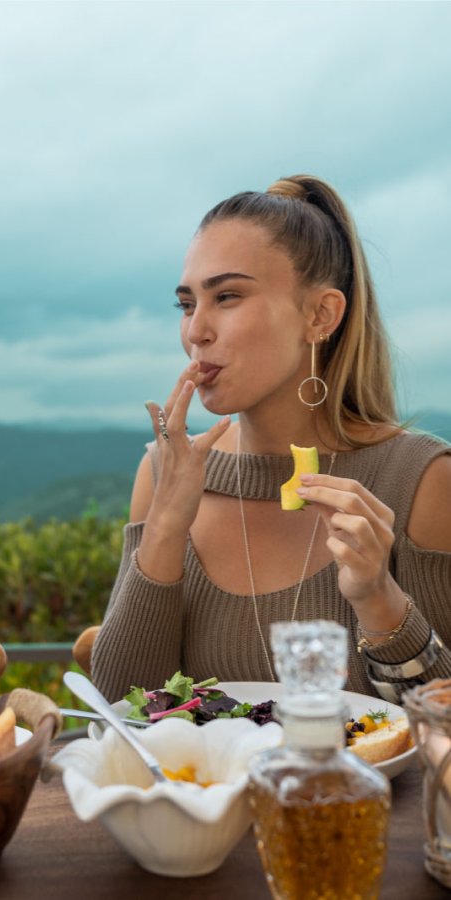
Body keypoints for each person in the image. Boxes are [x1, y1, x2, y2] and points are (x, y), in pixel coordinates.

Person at [92, 175, 451, 703]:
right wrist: (165, 528)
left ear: (320, 315)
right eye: (187, 304)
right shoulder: (164, 472)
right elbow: (125, 711)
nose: (196, 331)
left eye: (228, 296)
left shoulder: (422, 480)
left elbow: (440, 729)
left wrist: (379, 599)